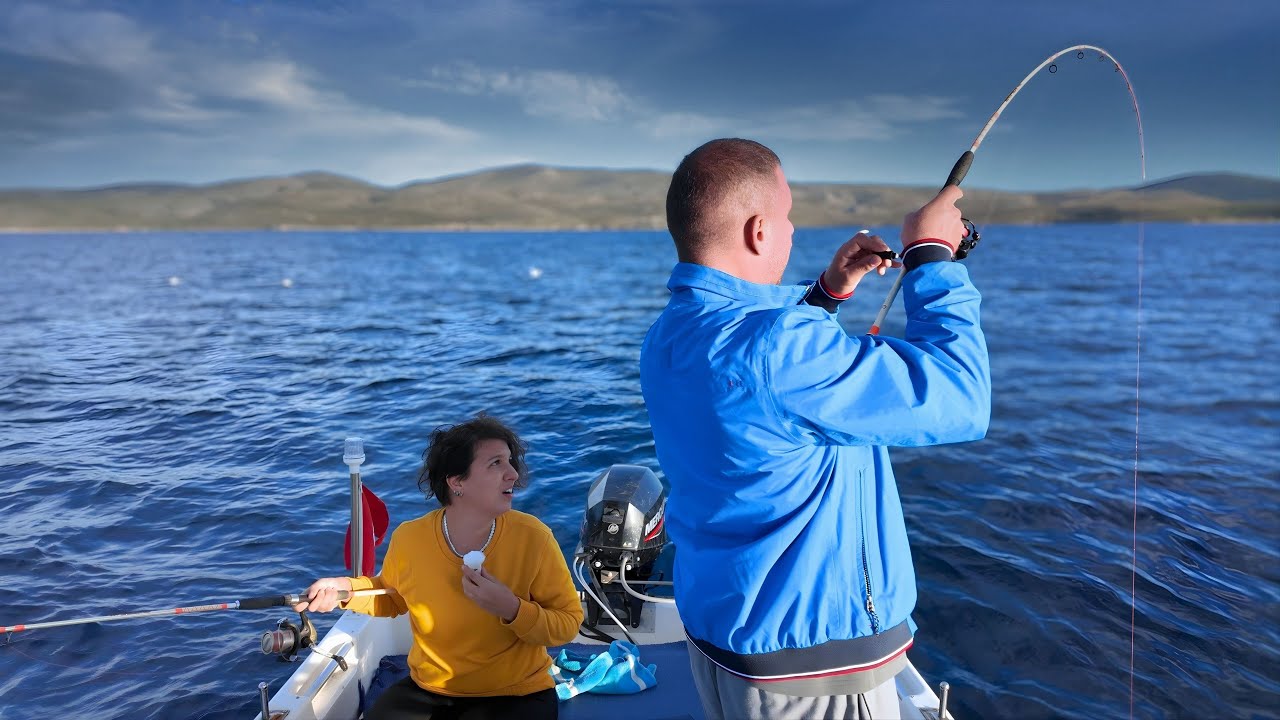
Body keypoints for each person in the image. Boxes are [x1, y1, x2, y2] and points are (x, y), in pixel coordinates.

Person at [639, 138, 990, 719]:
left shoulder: (671, 333)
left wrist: (826, 294)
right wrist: (931, 255)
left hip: (726, 642)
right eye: (787, 215)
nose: (793, 229)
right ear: (758, 231)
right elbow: (961, 398)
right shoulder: (779, 351)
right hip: (812, 671)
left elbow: (754, 367)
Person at [295, 415, 584, 720]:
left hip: (516, 693)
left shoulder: (534, 538)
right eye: (495, 463)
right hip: (429, 691)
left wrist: (511, 608)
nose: (513, 474)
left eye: (510, 462)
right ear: (457, 482)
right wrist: (343, 589)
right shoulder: (411, 539)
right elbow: (391, 596)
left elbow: (567, 624)